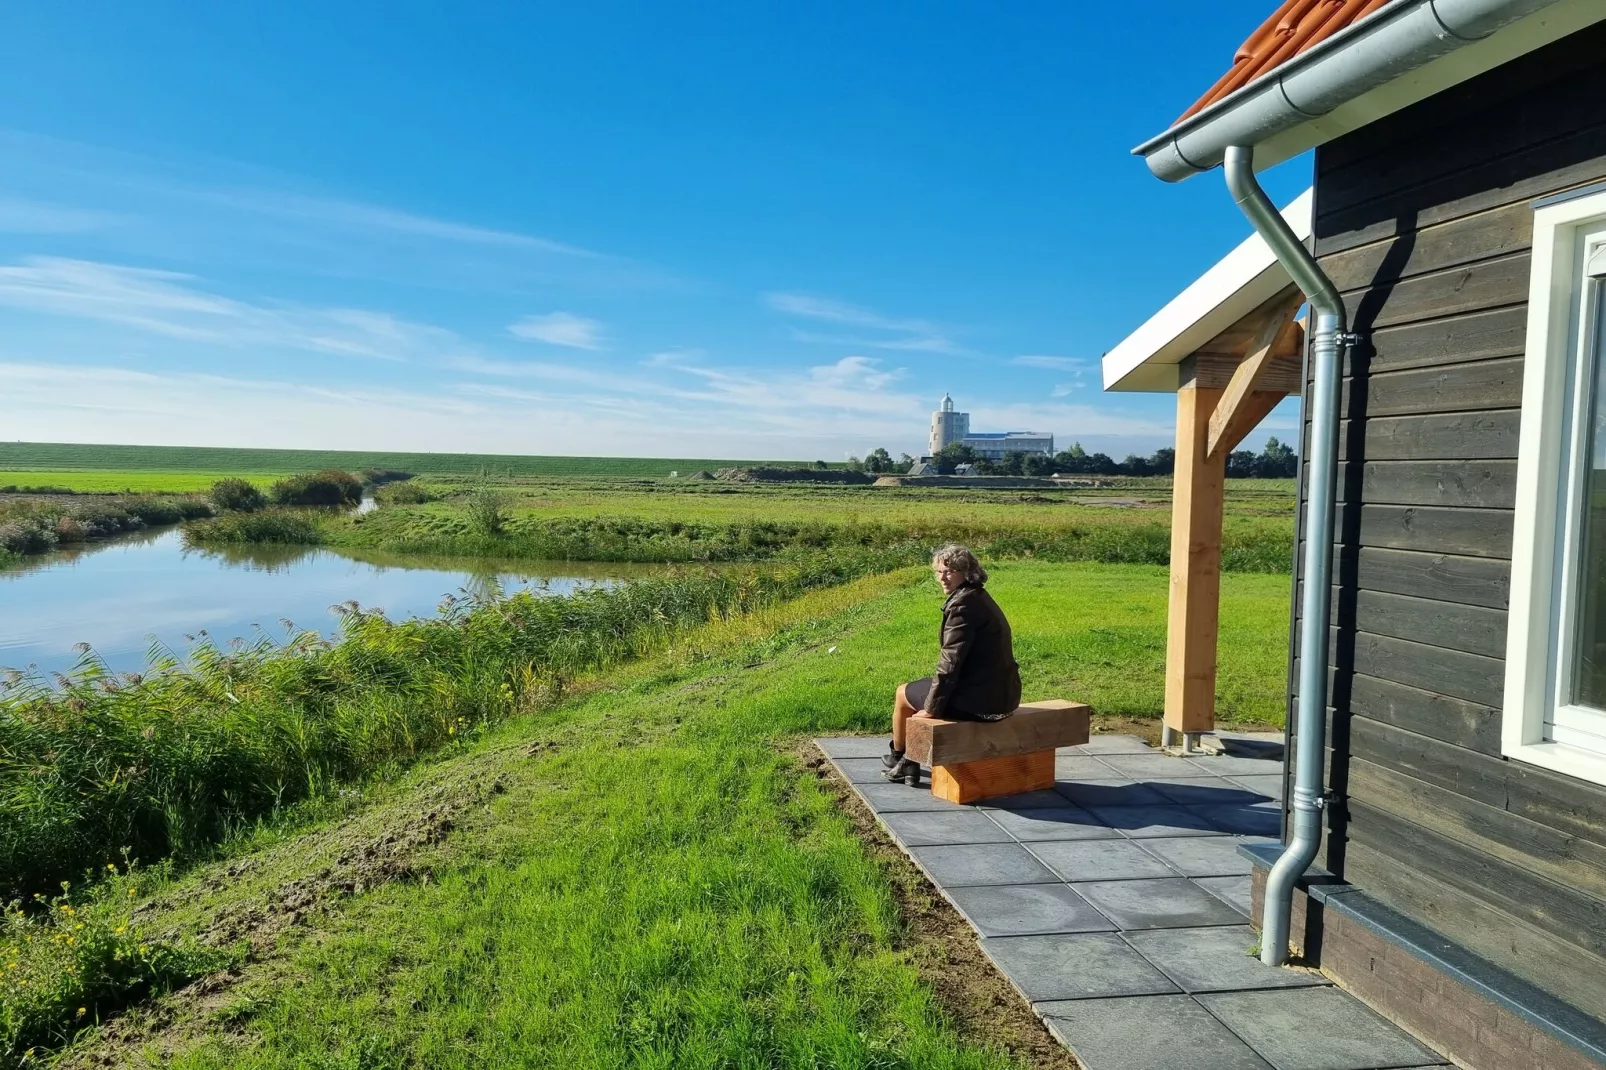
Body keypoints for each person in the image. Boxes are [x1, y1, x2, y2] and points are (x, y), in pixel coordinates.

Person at [883, 544, 1022, 784]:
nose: (942, 577)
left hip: (980, 704)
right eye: (938, 571)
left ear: (966, 572)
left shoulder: (962, 606)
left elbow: (950, 664)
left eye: (950, 571)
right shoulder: (978, 596)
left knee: (903, 693)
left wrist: (931, 708)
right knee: (921, 691)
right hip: (1004, 697)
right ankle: (906, 761)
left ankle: (900, 758)